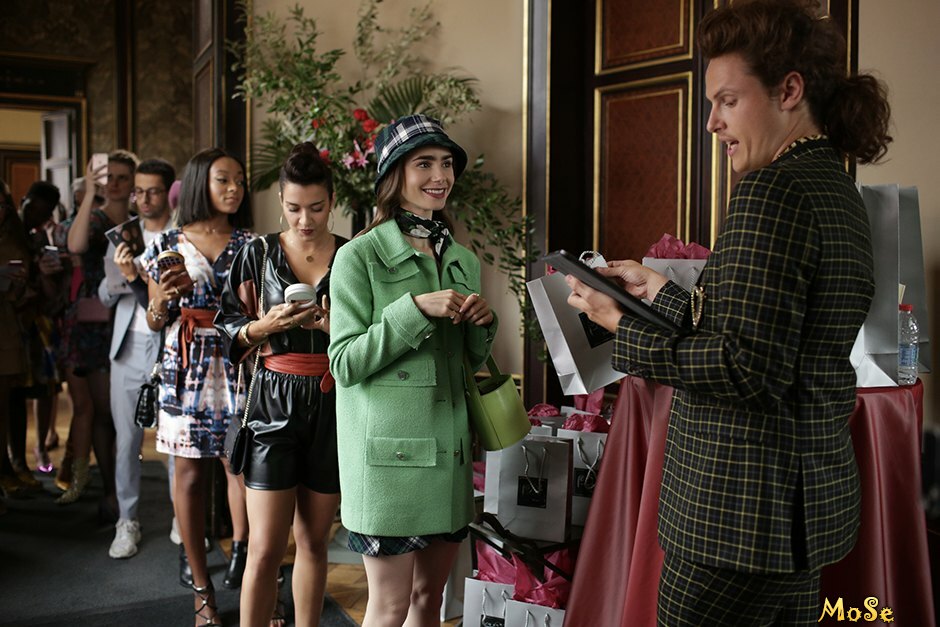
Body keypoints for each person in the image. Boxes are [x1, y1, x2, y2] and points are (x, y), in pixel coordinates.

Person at [564, 1, 892, 624]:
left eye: (727, 101)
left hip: (735, 516)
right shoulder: (833, 186)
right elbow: (766, 332)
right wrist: (660, 291)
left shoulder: (771, 191)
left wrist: (619, 326)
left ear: (789, 91)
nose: (711, 122)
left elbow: (745, 368)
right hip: (797, 513)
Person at [329, 115, 498, 627]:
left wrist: (481, 325)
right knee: (389, 606)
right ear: (394, 175)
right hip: (389, 465)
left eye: (446, 164)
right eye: (424, 164)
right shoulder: (358, 257)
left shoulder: (464, 260)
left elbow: (466, 363)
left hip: (448, 457)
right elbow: (345, 363)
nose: (440, 176)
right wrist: (414, 310)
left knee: (431, 599)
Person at [217, 142, 345, 627]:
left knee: (313, 542)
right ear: (280, 202)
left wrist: (333, 327)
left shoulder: (352, 255)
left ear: (332, 201)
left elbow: (371, 332)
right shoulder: (257, 253)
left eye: (316, 207)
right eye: (293, 208)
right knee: (264, 546)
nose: (305, 220)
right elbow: (226, 324)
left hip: (333, 401)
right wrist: (262, 326)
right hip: (272, 399)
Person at [141, 147, 254, 627]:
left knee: (241, 468)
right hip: (186, 365)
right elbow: (154, 319)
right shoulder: (167, 242)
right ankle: (202, 592)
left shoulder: (252, 243)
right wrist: (162, 301)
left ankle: (252, 568)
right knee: (187, 475)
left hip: (238, 360)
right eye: (223, 179)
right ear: (198, 183)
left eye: (239, 180)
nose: (234, 188)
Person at [98, 158, 175, 559]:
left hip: (172, 347)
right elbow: (103, 295)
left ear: (168, 193)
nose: (144, 199)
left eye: (153, 191)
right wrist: (122, 276)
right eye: (138, 191)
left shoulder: (182, 236)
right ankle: (127, 520)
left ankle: (183, 517)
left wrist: (145, 279)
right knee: (126, 439)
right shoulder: (123, 237)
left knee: (175, 440)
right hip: (127, 346)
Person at [58, 150, 139, 513]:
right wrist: (90, 193)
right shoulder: (93, 218)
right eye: (110, 177)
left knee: (128, 415)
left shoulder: (139, 221)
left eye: (123, 177)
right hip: (94, 322)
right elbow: (74, 246)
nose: (115, 183)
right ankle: (110, 491)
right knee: (104, 411)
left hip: (133, 316)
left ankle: (125, 486)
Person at [0, 179, 30, 506]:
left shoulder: (12, 240)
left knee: (5, 406)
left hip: (6, 328)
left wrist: (20, 285)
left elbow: (20, 298)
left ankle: (8, 468)